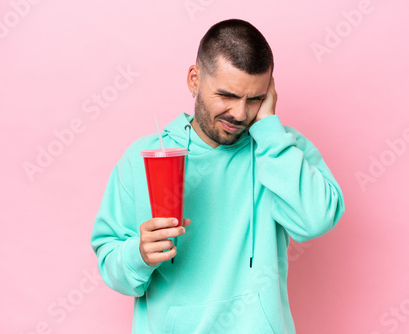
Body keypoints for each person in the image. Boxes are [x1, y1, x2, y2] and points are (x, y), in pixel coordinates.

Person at [90, 18, 345, 333]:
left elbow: (316, 220)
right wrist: (138, 254)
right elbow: (110, 262)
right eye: (227, 95)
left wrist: (268, 130)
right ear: (195, 80)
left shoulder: (279, 148)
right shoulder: (143, 159)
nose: (240, 114)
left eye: (254, 99)